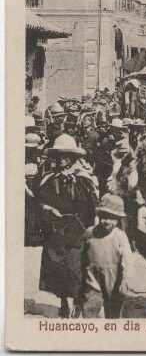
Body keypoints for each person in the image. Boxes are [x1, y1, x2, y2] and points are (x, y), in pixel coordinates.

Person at [36, 134, 99, 318]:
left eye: (66, 156)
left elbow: (93, 205)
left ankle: (78, 302)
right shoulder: (48, 179)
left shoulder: (83, 179)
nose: (61, 159)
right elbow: (38, 201)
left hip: (77, 229)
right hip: (56, 230)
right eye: (59, 156)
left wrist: (90, 228)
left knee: (76, 268)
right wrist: (48, 210)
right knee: (58, 269)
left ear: (73, 158)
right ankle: (63, 302)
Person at [76, 194, 132, 318]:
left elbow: (127, 261)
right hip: (92, 281)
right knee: (90, 308)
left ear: (118, 219)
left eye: (112, 218)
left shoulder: (120, 237)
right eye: (103, 217)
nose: (106, 221)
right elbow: (82, 257)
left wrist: (125, 280)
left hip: (113, 282)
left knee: (113, 313)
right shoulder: (90, 233)